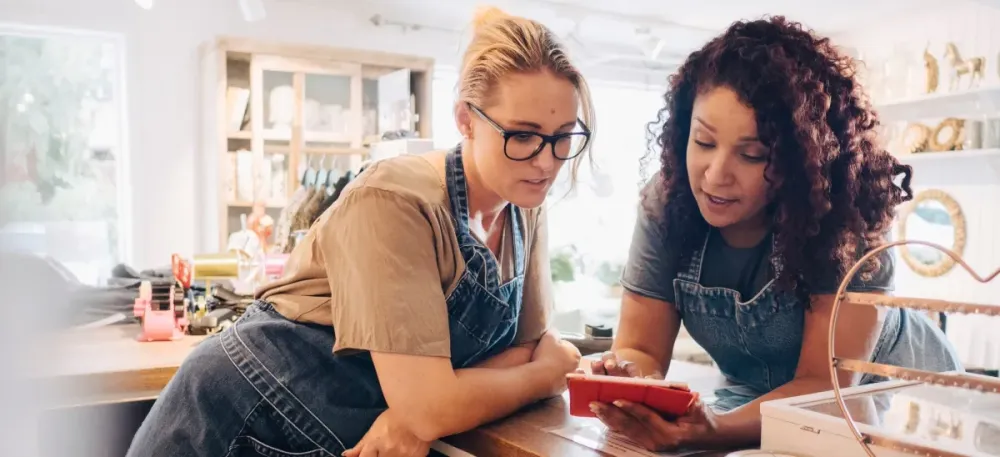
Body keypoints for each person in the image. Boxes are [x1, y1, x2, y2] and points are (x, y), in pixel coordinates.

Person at [126, 6, 594, 457]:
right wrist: (539, 379)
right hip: (239, 419)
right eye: (523, 135)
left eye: (563, 137)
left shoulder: (523, 201)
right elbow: (508, 376)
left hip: (334, 429)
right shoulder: (394, 199)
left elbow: (530, 345)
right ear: (466, 119)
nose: (546, 161)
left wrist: (429, 407)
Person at [584, 16, 962, 452]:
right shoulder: (667, 205)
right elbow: (641, 350)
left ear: (804, 160)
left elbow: (823, 386)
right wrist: (624, 379)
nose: (715, 175)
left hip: (899, 400)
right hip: (757, 403)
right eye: (703, 142)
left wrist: (715, 430)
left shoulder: (846, 219)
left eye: (751, 154)